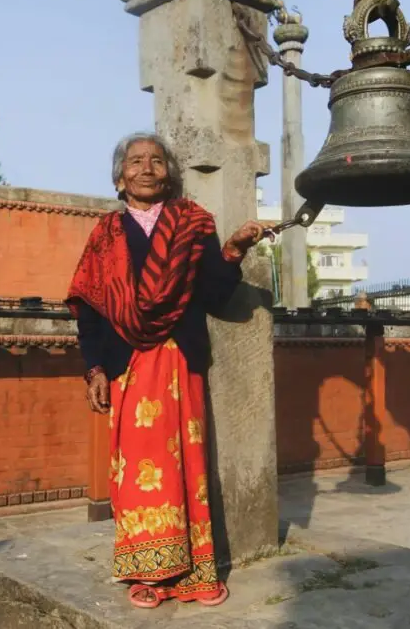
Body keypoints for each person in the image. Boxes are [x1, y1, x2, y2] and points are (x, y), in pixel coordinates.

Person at [66, 132, 266, 609]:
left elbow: (215, 295)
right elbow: (90, 310)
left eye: (157, 160)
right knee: (138, 470)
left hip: (180, 359)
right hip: (127, 363)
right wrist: (93, 367)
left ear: (169, 174)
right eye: (136, 161)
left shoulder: (192, 224)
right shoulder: (105, 236)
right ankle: (149, 574)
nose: (147, 167)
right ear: (120, 178)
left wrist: (235, 249)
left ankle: (196, 572)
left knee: (188, 466)